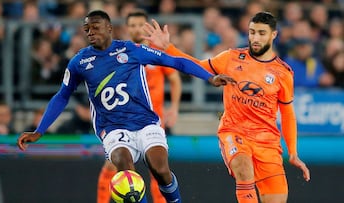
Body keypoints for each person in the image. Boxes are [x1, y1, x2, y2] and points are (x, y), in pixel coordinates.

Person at [16, 10, 233, 203]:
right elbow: (62, 96)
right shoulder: (79, 62)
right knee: (126, 172)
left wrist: (209, 78)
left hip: (145, 122)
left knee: (160, 169)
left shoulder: (132, 50)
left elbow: (176, 62)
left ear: (109, 28)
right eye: (86, 29)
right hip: (112, 128)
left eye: (95, 27)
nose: (90, 32)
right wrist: (39, 130)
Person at [143, 12, 310, 203]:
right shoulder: (231, 58)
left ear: (273, 35)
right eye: (252, 32)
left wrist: (293, 153)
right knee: (243, 168)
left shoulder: (283, 73)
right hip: (234, 132)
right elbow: (197, 66)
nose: (255, 38)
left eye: (261, 33)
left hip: (267, 143)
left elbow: (287, 113)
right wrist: (168, 47)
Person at [97, 9, 182, 203]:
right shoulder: (119, 54)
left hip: (152, 121)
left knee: (157, 172)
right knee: (115, 169)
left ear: (147, 26)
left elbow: (175, 78)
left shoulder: (156, 52)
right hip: (124, 121)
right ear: (127, 28)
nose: (136, 29)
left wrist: (174, 108)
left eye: (140, 25)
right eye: (132, 25)